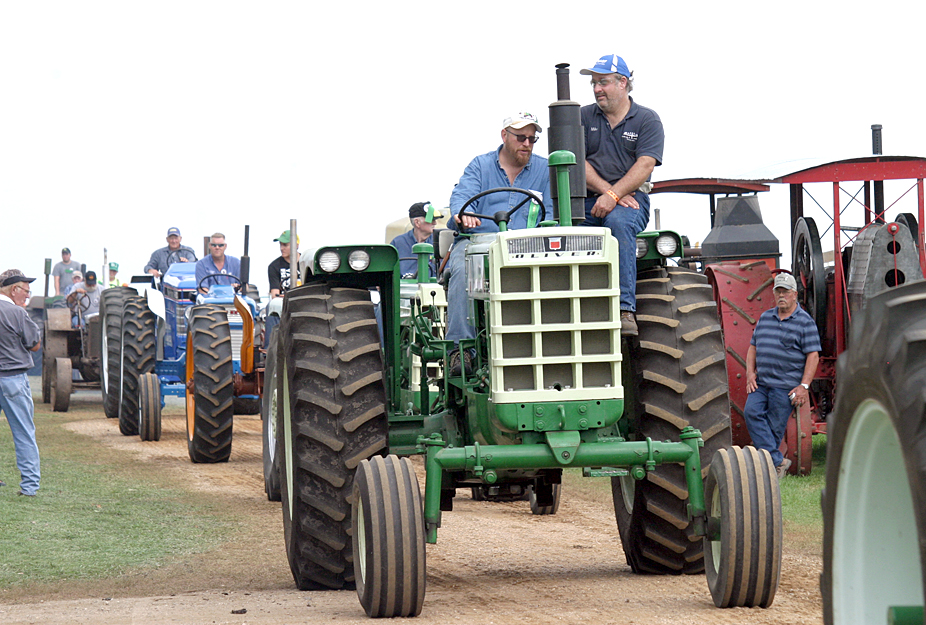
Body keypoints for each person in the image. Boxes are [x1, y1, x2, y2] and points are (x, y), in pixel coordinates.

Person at [445, 111, 551, 374]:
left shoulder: (544, 169)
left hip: (527, 246)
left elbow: (551, 213)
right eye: (521, 137)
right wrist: (463, 214)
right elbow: (462, 197)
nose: (527, 144)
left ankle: (549, 345)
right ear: (505, 135)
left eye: (532, 139)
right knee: (463, 268)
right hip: (479, 243)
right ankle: (461, 352)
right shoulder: (480, 166)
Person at [579, 54, 665, 336]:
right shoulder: (582, 117)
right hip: (591, 198)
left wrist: (616, 196)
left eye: (602, 82)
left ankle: (625, 309)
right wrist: (609, 193)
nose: (596, 89)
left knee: (619, 224)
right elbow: (577, 161)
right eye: (594, 83)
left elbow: (646, 164)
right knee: (560, 229)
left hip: (632, 200)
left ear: (623, 82)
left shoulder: (647, 119)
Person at [744, 273, 821, 479]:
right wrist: (750, 373)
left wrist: (804, 386)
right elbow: (753, 348)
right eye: (778, 291)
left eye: (785, 292)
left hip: (785, 386)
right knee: (751, 412)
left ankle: (767, 470)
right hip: (761, 383)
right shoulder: (765, 318)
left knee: (773, 428)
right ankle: (778, 462)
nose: (781, 295)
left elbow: (813, 356)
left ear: (795, 294)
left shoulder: (805, 322)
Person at [0, 269, 42, 496]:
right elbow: (34, 344)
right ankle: (29, 486)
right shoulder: (16, 313)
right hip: (13, 379)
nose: (27, 295)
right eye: (25, 290)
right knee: (24, 433)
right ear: (14, 289)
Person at [391, 202, 437, 279]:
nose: (435, 223)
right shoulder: (398, 243)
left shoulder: (439, 243)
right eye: (431, 219)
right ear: (417, 222)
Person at [268, 230, 299, 299]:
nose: (281, 248)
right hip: (284, 304)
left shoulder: (306, 262)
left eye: (285, 245)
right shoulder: (274, 266)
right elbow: (275, 295)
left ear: (296, 245)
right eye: (280, 244)